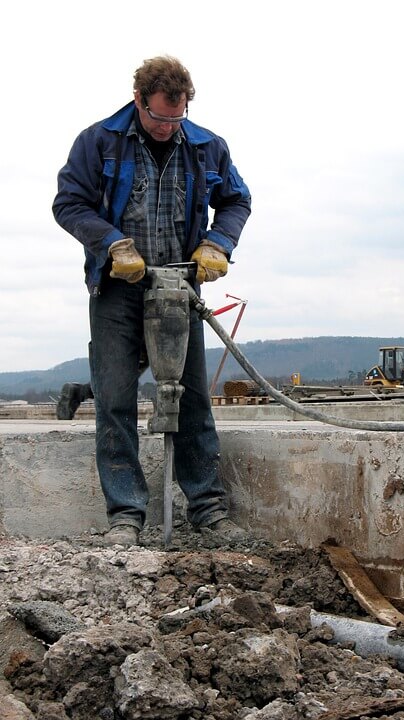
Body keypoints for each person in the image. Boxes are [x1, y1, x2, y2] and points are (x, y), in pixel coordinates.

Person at [53, 55, 251, 547]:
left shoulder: (205, 148)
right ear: (139, 100)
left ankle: (207, 508)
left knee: (193, 398)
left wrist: (217, 243)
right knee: (116, 398)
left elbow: (236, 200)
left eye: (176, 118)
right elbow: (68, 203)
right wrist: (111, 243)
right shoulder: (99, 142)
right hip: (119, 290)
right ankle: (126, 515)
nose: (167, 127)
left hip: (179, 287)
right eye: (159, 117)